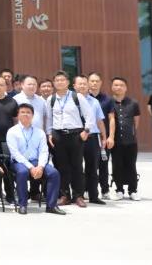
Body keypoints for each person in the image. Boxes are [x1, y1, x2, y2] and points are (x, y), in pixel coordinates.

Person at [46, 70, 96, 207]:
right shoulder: (51, 99)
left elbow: (90, 115)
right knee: (61, 166)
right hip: (58, 135)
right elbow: (49, 119)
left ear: (68, 82)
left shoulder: (77, 97)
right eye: (57, 80)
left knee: (77, 166)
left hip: (76, 135)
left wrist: (86, 131)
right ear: (54, 83)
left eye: (62, 80)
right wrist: (49, 134)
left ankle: (78, 196)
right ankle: (64, 195)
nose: (60, 82)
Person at [7, 104, 64, 214]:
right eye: (22, 112)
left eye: (28, 112)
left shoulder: (40, 132)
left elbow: (44, 151)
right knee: (22, 172)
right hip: (19, 162)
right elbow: (15, 153)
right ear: (18, 115)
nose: (25, 114)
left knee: (54, 173)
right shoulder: (12, 131)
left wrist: (41, 166)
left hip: (36, 161)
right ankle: (23, 205)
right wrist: (31, 167)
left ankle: (51, 206)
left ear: (33, 115)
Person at [107, 77, 141, 200]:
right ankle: (119, 190)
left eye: (121, 85)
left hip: (130, 141)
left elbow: (136, 122)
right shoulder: (109, 102)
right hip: (115, 141)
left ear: (126, 88)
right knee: (117, 165)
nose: (118, 87)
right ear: (112, 87)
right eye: (116, 85)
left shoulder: (133, 103)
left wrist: (131, 133)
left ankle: (133, 190)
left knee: (131, 165)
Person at [75, 75, 107, 205]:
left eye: (84, 83)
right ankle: (78, 195)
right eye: (80, 84)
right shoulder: (70, 100)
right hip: (76, 136)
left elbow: (99, 121)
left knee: (93, 167)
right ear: (74, 86)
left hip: (92, 137)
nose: (82, 86)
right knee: (77, 167)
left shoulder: (94, 102)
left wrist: (104, 137)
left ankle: (94, 195)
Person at [88, 72, 114, 199]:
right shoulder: (83, 98)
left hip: (103, 137)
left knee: (103, 163)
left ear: (101, 83)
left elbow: (111, 119)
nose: (94, 83)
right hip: (88, 136)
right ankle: (87, 189)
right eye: (92, 81)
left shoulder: (107, 99)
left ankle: (105, 190)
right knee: (89, 164)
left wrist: (110, 137)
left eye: (97, 81)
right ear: (88, 82)